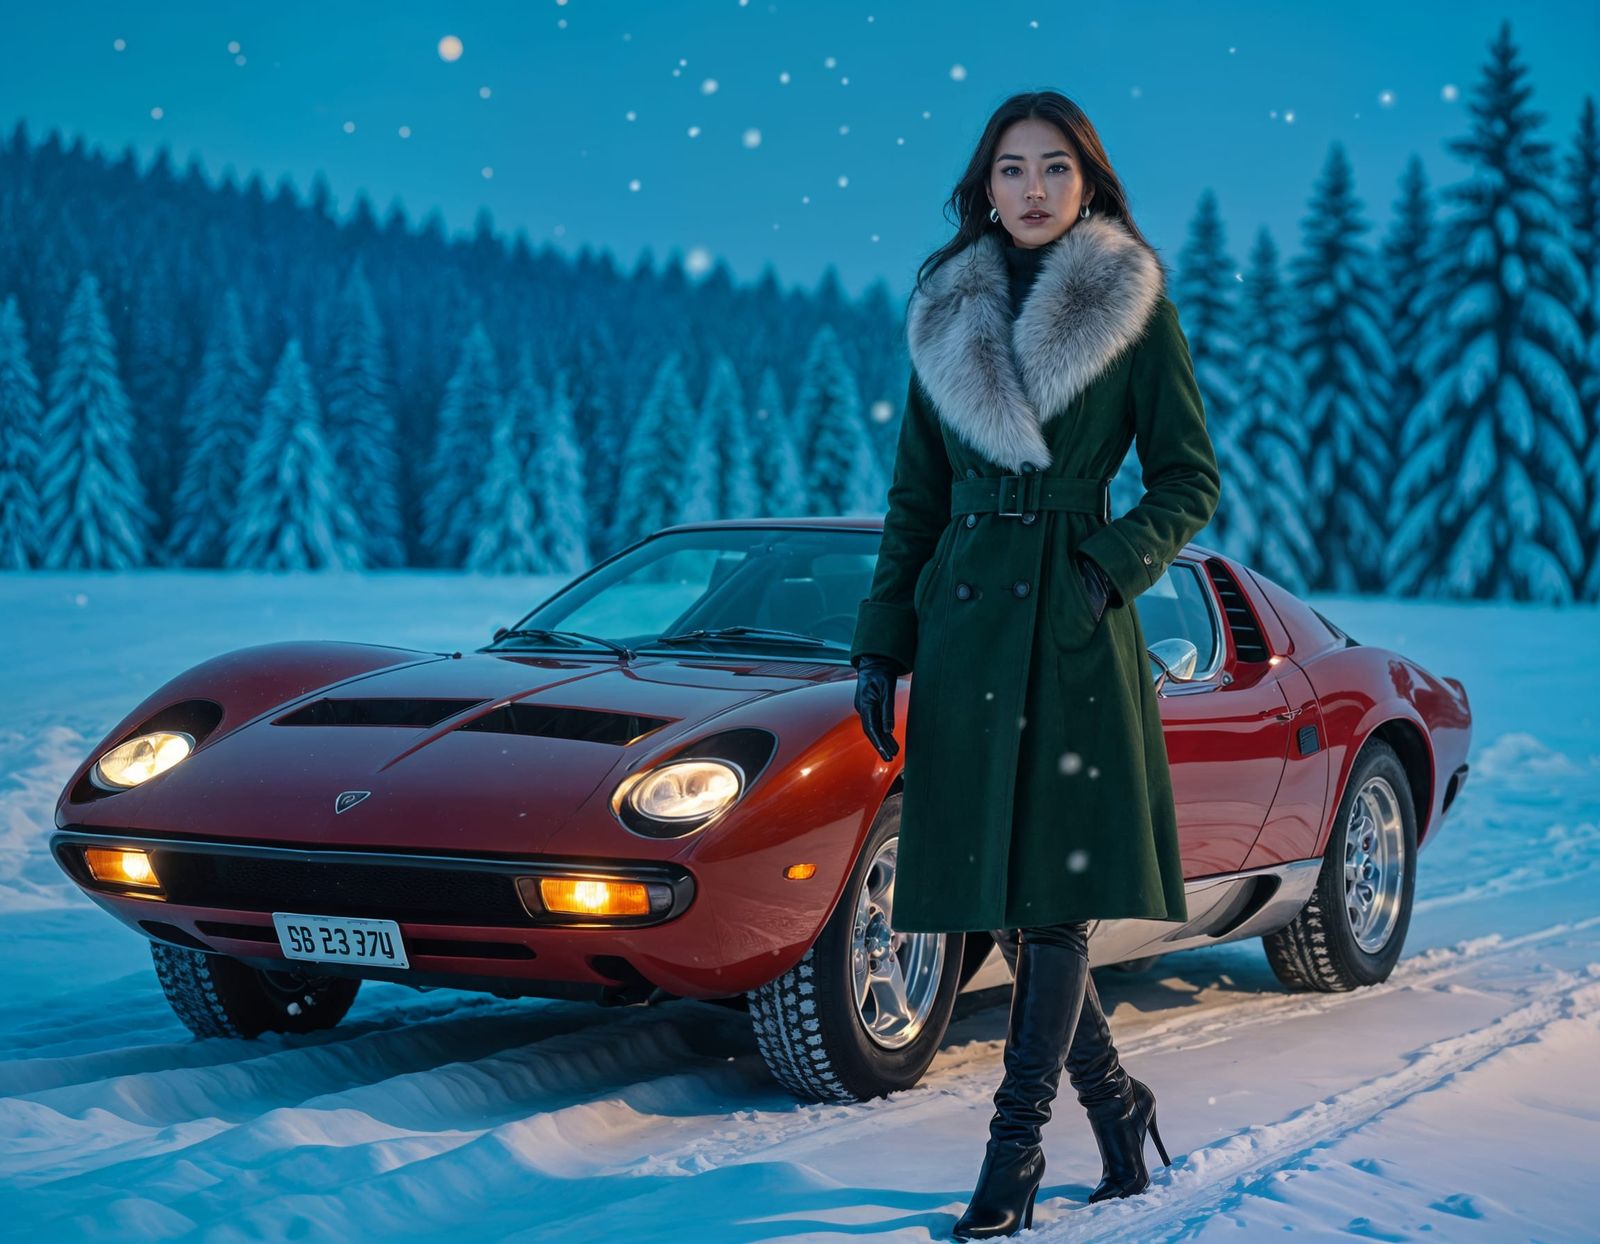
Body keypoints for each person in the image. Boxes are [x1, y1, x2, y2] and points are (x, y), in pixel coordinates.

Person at [850, 90, 1220, 1238]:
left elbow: (1187, 477)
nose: (1031, 188)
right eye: (1010, 168)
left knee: (1051, 906)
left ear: (1088, 181)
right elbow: (915, 498)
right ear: (985, 183)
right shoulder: (942, 308)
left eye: (1053, 167)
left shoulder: (1130, 302)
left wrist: (1103, 569)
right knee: (1006, 907)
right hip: (964, 630)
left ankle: (1011, 1155)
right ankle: (1119, 1104)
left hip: (1071, 629)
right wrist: (881, 640)